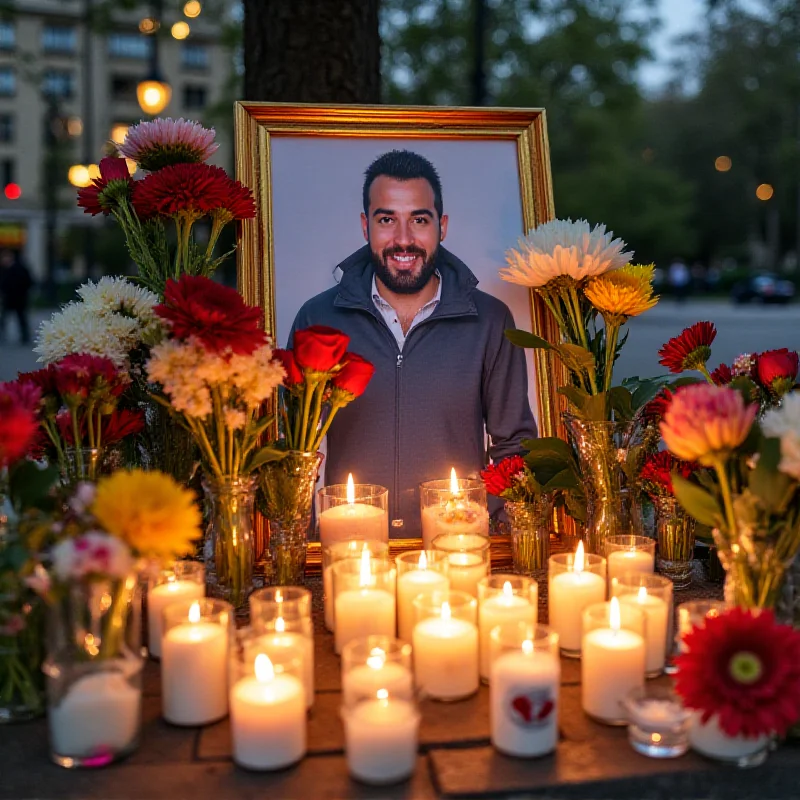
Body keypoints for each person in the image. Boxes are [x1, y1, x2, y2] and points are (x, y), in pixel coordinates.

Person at [290, 149, 536, 538]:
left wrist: (505, 540)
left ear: (442, 226)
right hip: (350, 554)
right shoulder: (318, 319)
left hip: (457, 550)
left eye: (419, 220)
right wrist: (298, 546)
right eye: (387, 219)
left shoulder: (491, 320)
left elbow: (515, 448)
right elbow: (294, 451)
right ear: (365, 226)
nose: (403, 240)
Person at [0, 248, 33, 344]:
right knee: (4, 318)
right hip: (8, 298)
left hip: (19, 298)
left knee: (21, 318)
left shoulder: (20, 268)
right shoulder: (3, 269)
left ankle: (25, 337)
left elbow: (28, 281)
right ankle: (3, 335)